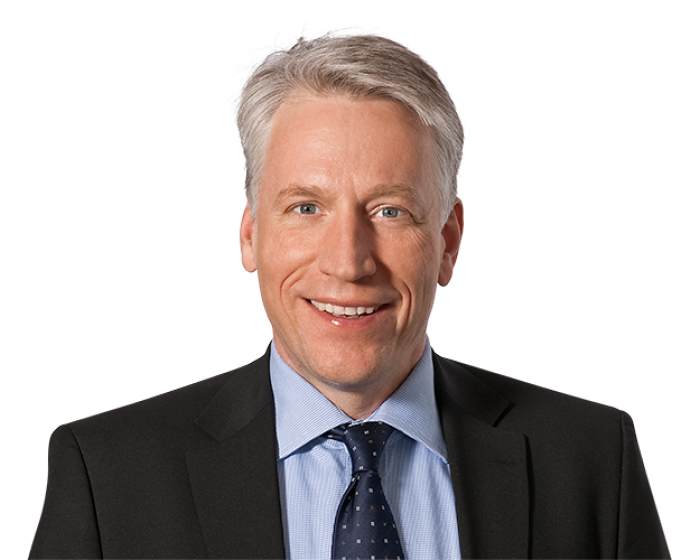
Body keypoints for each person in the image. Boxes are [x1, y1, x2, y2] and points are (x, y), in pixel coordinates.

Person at [29, 24, 670, 559]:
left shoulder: (592, 460)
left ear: (448, 241)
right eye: (306, 208)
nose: (348, 262)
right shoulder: (107, 476)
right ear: (250, 236)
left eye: (391, 211)